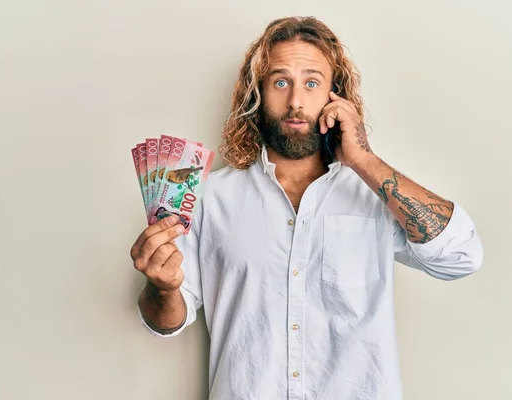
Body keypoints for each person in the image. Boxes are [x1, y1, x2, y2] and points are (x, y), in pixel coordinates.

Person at [130, 16, 484, 400]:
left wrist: (364, 160)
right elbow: (165, 323)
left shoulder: (375, 195)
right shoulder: (210, 198)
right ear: (258, 95)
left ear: (337, 96)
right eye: (280, 82)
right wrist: (160, 288)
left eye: (312, 83)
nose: (296, 101)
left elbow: (461, 256)